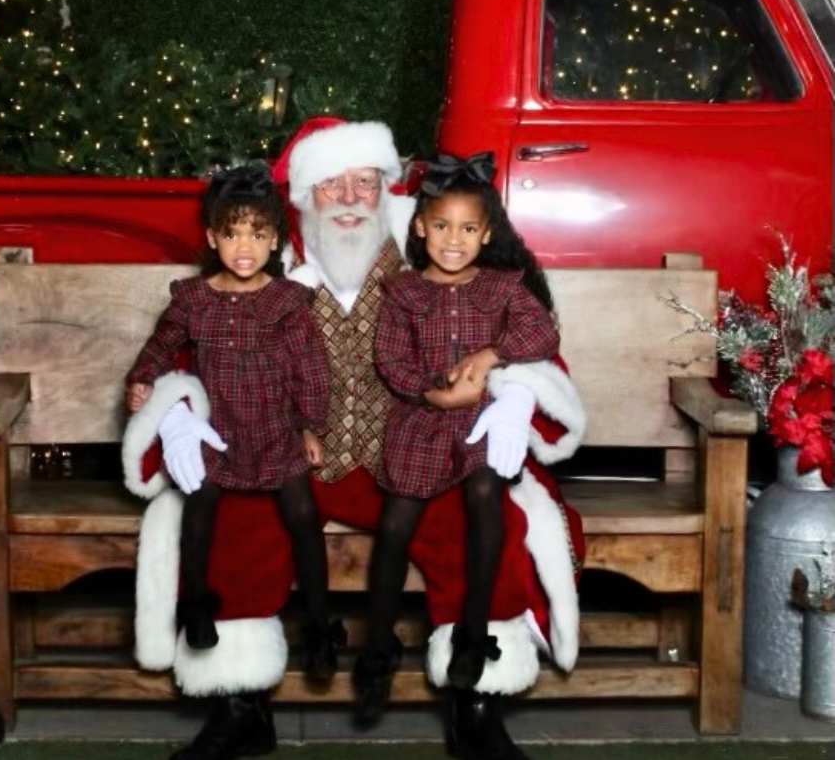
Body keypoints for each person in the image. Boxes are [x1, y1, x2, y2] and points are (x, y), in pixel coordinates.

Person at [122, 118, 587, 760]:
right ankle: (239, 704)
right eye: (330, 183)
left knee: (479, 520)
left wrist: (506, 391)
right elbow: (187, 355)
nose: (347, 197)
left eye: (364, 182)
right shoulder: (261, 269)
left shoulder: (438, 254)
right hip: (292, 452)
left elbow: (535, 344)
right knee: (236, 517)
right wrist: (176, 411)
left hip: (417, 450)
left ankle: (476, 698)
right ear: (303, 196)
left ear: (388, 192)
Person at [355, 153, 560, 723]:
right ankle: (379, 642)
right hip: (422, 419)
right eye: (442, 226)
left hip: (482, 422)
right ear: (420, 226)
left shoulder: (501, 286)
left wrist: (492, 353)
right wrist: (429, 393)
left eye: (469, 229)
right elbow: (390, 360)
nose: (454, 240)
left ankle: (474, 629)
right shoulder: (401, 292)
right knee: (396, 522)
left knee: (484, 493)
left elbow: (543, 330)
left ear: (486, 233)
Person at [123, 163, 344, 679]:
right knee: (199, 505)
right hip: (217, 430)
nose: (244, 246)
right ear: (212, 237)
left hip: (275, 429)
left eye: (258, 233)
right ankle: (196, 604)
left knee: (303, 516)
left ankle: (317, 623)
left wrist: (312, 426)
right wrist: (143, 378)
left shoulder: (288, 302)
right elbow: (160, 347)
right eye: (232, 233)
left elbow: (311, 368)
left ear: (275, 243)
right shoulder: (193, 299)